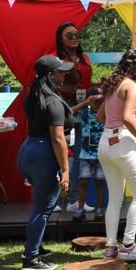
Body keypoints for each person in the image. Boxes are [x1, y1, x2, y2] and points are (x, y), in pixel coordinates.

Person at [96, 48, 136, 262]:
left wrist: (115, 128)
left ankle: (111, 247)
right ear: (134, 65)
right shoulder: (132, 86)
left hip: (106, 143)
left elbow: (100, 115)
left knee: (115, 199)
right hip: (122, 143)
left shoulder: (114, 85)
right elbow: (128, 118)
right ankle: (128, 246)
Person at [17, 54, 74, 270]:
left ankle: (36, 246)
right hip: (43, 155)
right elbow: (58, 138)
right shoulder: (52, 101)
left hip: (28, 151)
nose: (65, 74)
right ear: (51, 76)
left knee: (43, 207)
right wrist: (65, 170)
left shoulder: (35, 96)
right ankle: (30, 259)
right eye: (61, 71)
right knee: (42, 209)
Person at [55, 22, 95, 212]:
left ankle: (74, 200)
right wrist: (70, 89)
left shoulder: (84, 58)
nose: (74, 38)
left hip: (85, 107)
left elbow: (87, 82)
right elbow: (52, 85)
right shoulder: (56, 59)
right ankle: (55, 200)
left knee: (81, 153)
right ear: (61, 40)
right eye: (69, 35)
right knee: (57, 151)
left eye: (76, 34)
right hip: (63, 106)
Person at [73, 87, 106, 221]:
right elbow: (69, 112)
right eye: (95, 100)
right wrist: (85, 103)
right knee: (83, 181)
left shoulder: (106, 114)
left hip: (102, 154)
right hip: (85, 154)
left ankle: (99, 210)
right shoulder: (84, 114)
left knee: (99, 182)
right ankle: (80, 209)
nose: (98, 103)